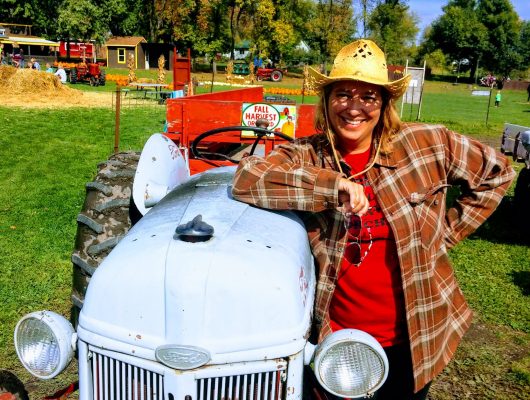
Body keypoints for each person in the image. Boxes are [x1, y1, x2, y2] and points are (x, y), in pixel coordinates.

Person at [231, 39, 515, 400]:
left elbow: (497, 172)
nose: (354, 108)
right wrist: (332, 186)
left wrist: (444, 235)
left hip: (416, 333)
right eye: (343, 94)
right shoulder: (306, 154)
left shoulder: (428, 144)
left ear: (384, 104)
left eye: (369, 97)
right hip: (336, 339)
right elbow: (247, 178)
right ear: (327, 99)